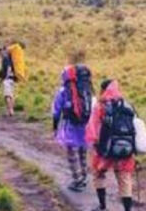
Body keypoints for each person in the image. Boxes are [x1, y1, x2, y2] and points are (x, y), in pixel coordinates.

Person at [86, 79, 136, 211]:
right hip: (125, 148)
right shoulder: (127, 106)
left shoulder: (100, 106)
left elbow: (92, 128)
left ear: (103, 90)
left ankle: (102, 206)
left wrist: (94, 145)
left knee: (99, 173)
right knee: (124, 178)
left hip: (104, 150)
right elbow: (134, 128)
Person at [52, 50, 94, 192]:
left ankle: (77, 180)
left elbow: (56, 111)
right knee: (83, 152)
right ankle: (84, 176)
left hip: (71, 125)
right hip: (85, 125)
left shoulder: (64, 91)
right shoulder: (87, 89)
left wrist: (55, 126)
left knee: (71, 153)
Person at [0, 46, 16, 117]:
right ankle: (11, 110)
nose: (0, 54)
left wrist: (3, 79)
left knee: (7, 95)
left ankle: (10, 111)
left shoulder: (5, 59)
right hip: (12, 79)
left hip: (7, 79)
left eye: (0, 52)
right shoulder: (11, 58)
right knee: (11, 95)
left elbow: (7, 69)